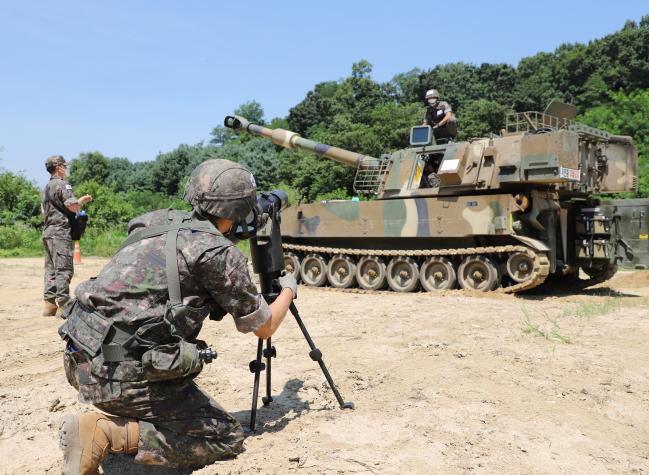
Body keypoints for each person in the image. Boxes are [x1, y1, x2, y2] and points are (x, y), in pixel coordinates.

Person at [57, 159, 298, 474]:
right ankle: (106, 432)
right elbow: (264, 327)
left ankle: (117, 420)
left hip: (79, 359)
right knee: (224, 435)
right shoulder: (218, 255)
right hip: (115, 378)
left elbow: (186, 260)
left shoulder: (154, 221)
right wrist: (288, 290)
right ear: (240, 210)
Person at [41, 155, 92, 317]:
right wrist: (82, 201)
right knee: (64, 269)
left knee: (51, 269)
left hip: (48, 232)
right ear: (58, 168)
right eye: (64, 165)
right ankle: (64, 303)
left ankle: (49, 304)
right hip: (60, 232)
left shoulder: (46, 187)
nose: (66, 168)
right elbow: (72, 206)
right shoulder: (63, 185)